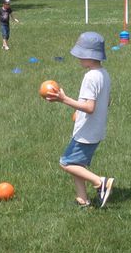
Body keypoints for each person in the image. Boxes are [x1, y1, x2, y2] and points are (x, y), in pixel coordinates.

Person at [43, 32, 115, 208]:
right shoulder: (103, 74)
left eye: (81, 55)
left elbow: (90, 107)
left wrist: (64, 99)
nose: (78, 58)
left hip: (87, 132)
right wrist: (78, 111)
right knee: (77, 164)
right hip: (95, 129)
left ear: (89, 56)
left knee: (66, 162)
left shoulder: (90, 77)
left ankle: (100, 182)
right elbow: (106, 101)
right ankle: (82, 199)